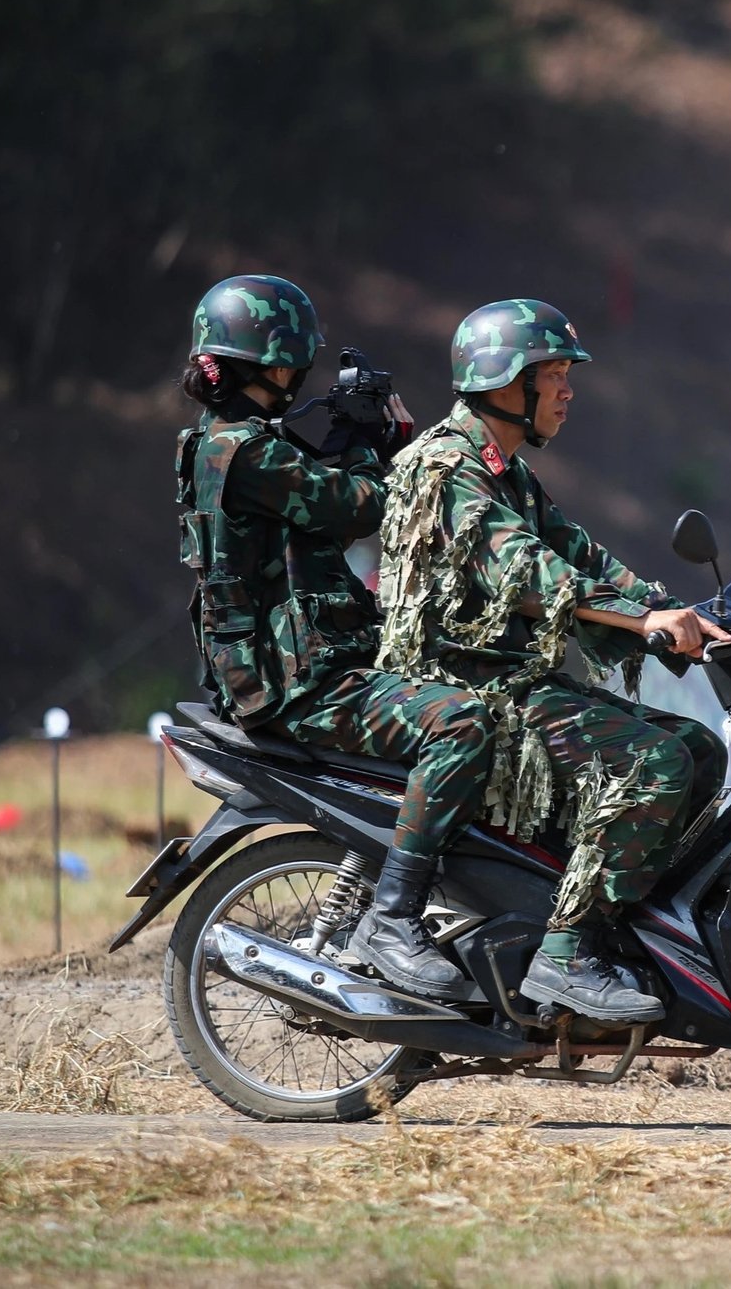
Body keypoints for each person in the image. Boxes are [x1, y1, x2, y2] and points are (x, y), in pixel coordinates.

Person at [376, 298, 729, 1022]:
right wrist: (640, 618)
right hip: (464, 688)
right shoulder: (447, 466)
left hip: (516, 682)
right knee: (654, 763)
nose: (568, 390)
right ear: (508, 384)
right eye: (556, 374)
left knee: (695, 748)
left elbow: (581, 553)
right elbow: (531, 572)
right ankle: (566, 954)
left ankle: (608, 925)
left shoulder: (505, 471)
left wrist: (683, 612)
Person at [176, 273, 496, 999]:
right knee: (463, 724)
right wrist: (370, 442)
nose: (298, 378)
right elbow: (360, 508)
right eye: (292, 363)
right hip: (293, 685)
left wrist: (360, 440)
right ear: (268, 364)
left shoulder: (230, 443)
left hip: (285, 669)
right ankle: (393, 918)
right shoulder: (246, 453)